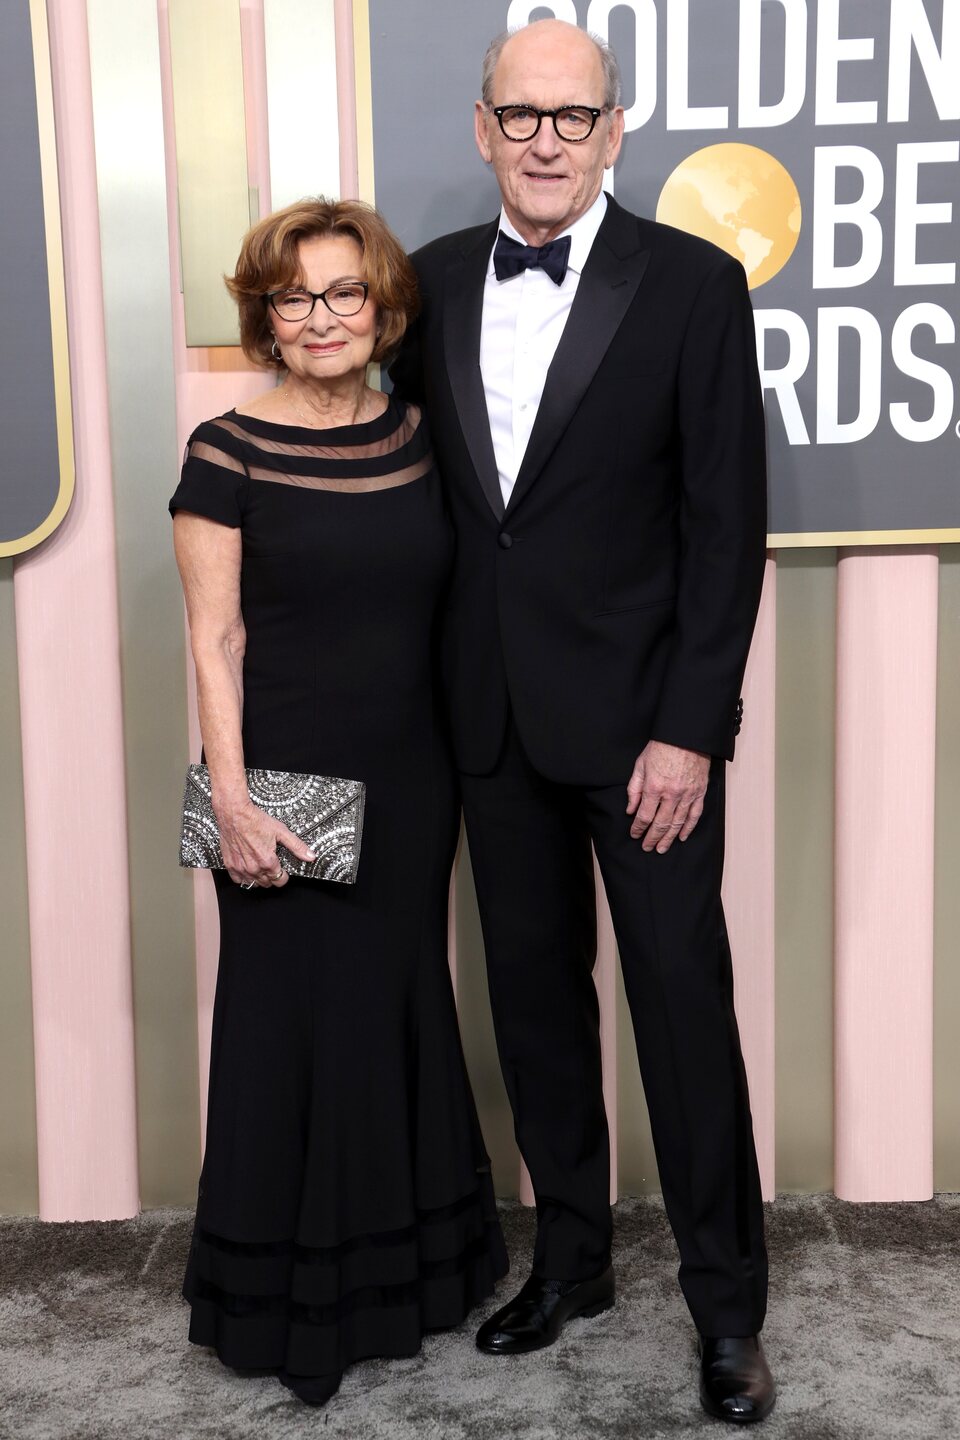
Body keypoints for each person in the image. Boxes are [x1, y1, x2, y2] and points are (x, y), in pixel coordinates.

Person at [390, 18, 775, 1425]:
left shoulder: (691, 284)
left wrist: (690, 730)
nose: (547, 139)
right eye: (522, 116)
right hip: (487, 722)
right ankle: (572, 1261)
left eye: (574, 116)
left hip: (642, 735)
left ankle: (729, 1314)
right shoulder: (424, 287)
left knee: (682, 1015)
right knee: (537, 1012)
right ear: (483, 130)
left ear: (617, 131)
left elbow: (726, 527)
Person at [170, 197, 508, 1408]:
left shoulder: (422, 437)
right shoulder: (228, 449)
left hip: (414, 781)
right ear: (266, 315)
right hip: (284, 781)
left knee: (395, 1017)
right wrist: (235, 799)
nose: (320, 317)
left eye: (345, 293)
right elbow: (214, 641)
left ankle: (408, 1280)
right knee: (291, 1034)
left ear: (383, 310)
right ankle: (289, 1305)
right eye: (294, 297)